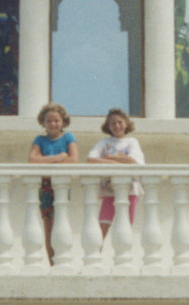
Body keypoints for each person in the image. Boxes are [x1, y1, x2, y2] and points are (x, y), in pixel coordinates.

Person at [28, 103, 78, 261]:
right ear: (43, 122)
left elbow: (73, 160)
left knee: (60, 220)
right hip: (45, 186)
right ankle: (52, 261)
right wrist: (56, 158)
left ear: (63, 121)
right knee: (47, 224)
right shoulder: (40, 140)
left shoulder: (68, 137)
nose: (53, 124)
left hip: (61, 185)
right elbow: (32, 159)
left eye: (56, 120)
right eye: (49, 121)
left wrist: (45, 162)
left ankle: (62, 259)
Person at [87, 108, 144, 238]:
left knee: (126, 226)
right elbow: (91, 159)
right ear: (108, 126)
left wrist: (110, 157)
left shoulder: (132, 142)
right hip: (109, 189)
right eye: (113, 123)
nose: (117, 126)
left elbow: (134, 162)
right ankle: (97, 255)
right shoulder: (104, 142)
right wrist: (116, 163)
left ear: (126, 123)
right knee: (103, 225)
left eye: (120, 122)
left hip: (130, 189)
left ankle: (125, 257)